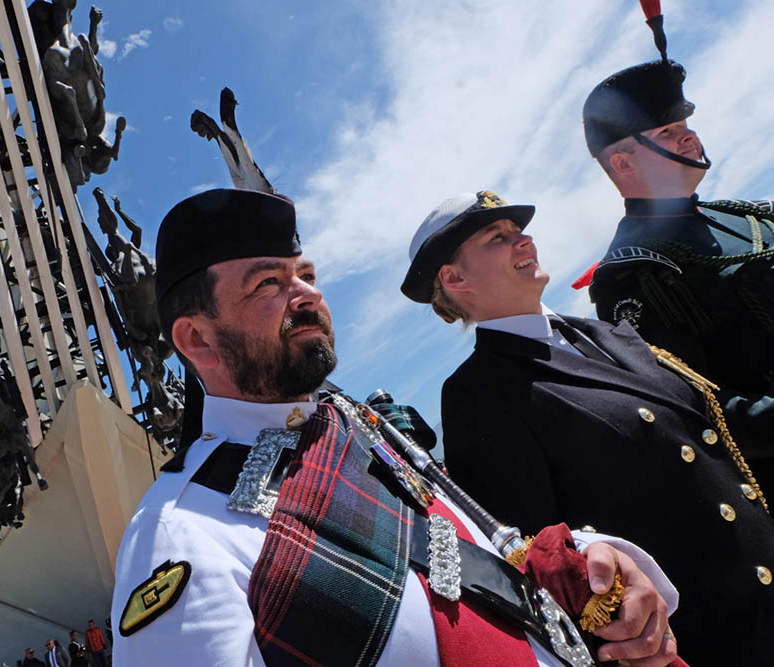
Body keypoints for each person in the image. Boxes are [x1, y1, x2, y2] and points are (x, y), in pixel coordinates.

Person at [110, 188, 682, 666]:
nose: (308, 294)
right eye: (267, 284)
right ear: (198, 339)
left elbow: (474, 551)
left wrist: (593, 556)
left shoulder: (359, 424)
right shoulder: (179, 533)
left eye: (305, 274)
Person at [402, 189, 774, 665]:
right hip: (699, 639)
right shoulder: (478, 394)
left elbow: (712, 430)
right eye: (497, 237)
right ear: (454, 278)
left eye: (518, 231)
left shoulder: (611, 334)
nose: (523, 241)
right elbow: (546, 565)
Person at [579, 52, 774, 486]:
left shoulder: (749, 215)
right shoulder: (631, 273)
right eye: (667, 132)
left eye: (685, 125)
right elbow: (695, 408)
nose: (689, 136)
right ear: (623, 163)